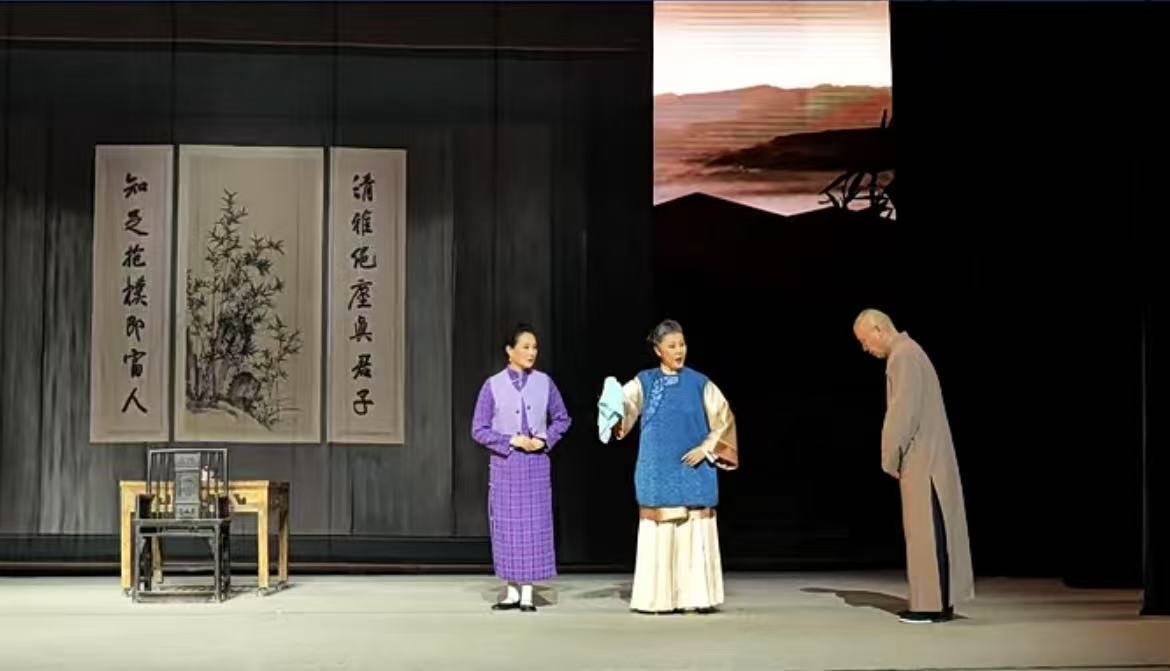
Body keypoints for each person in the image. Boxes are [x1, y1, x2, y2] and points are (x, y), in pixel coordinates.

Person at [607, 319, 738, 614]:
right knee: (660, 534)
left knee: (693, 532)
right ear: (658, 350)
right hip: (658, 470)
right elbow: (623, 407)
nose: (679, 351)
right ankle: (658, 599)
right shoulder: (645, 381)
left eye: (682, 344)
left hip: (693, 471)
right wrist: (611, 402)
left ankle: (696, 598)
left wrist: (706, 448)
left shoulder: (700, 383)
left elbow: (724, 419)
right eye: (672, 346)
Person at [853, 308, 974, 623]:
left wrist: (889, 457)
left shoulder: (903, 357)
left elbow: (902, 413)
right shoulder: (912, 352)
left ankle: (929, 606)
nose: (865, 348)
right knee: (934, 529)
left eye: (865, 340)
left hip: (921, 459)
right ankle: (939, 602)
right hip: (929, 455)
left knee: (925, 532)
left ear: (879, 330)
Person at [471, 323, 572, 612]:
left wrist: (544, 440)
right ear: (509, 350)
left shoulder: (544, 382)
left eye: (535, 347)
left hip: (536, 463)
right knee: (507, 527)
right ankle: (511, 590)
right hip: (506, 464)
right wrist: (510, 440)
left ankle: (528, 591)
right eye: (526, 347)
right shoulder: (492, 385)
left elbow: (562, 418)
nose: (532, 352)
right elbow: (478, 429)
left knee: (534, 526)